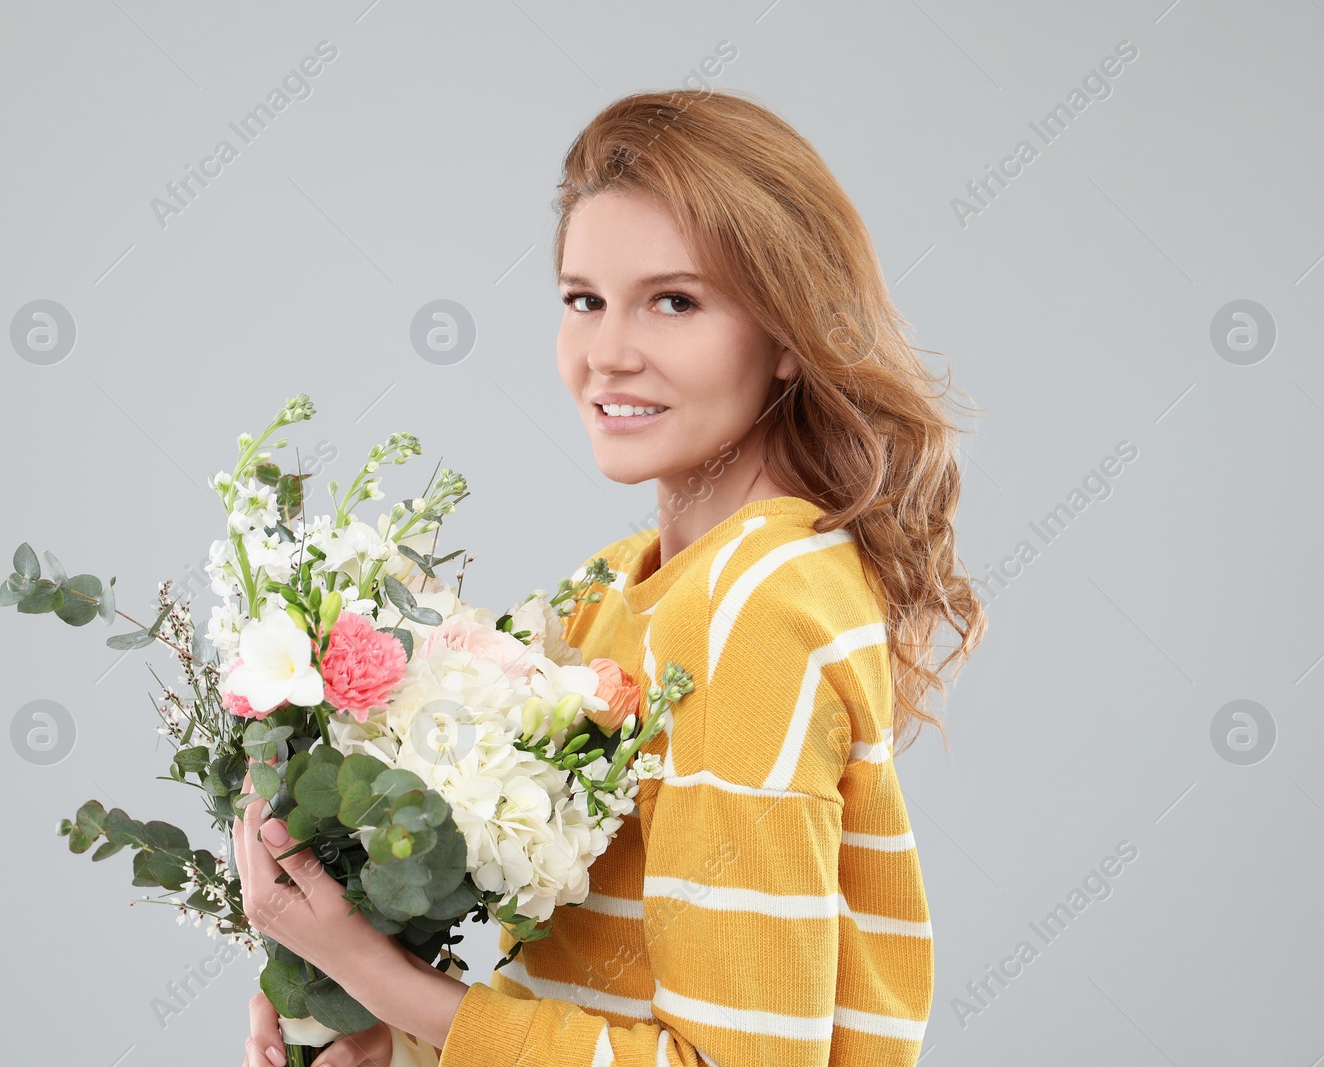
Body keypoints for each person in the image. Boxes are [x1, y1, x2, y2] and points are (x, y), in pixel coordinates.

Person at [238, 87, 987, 1067]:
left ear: (790, 338)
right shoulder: (611, 589)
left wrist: (382, 975)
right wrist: (397, 1039)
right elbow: (583, 991)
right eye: (583, 299)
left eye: (673, 300)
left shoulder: (761, 608)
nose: (608, 352)